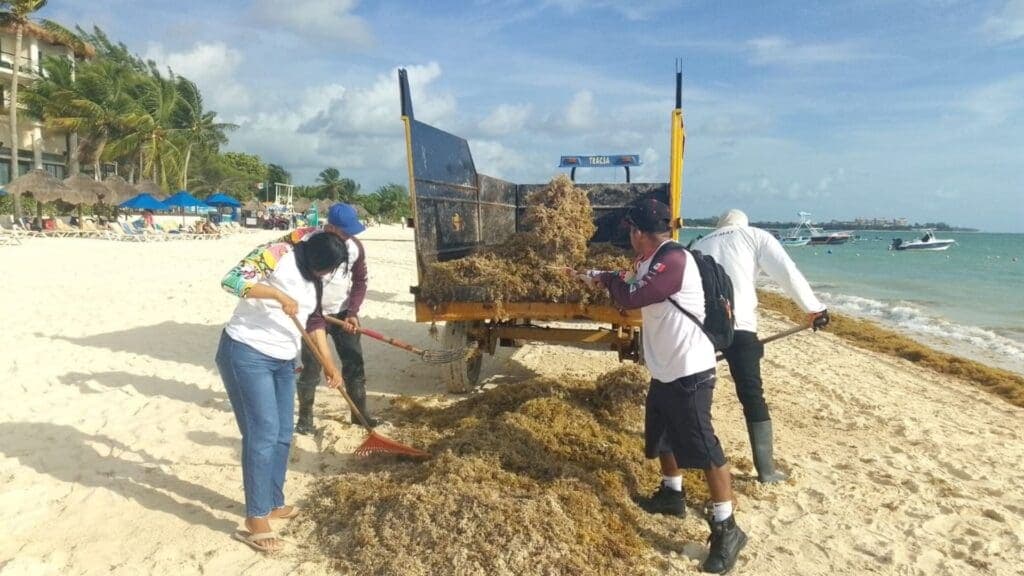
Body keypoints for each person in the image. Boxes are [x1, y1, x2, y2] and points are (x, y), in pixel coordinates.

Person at [579, 199, 746, 574]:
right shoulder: (648, 261)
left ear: (639, 232)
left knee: (704, 446)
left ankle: (727, 528)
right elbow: (631, 281)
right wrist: (598, 274)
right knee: (663, 435)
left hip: (691, 370)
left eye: (630, 232)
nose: (629, 238)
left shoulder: (674, 261)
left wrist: (606, 281)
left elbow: (632, 296)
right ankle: (672, 495)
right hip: (666, 368)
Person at [215, 232, 348, 553]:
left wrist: (330, 365)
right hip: (247, 353)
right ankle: (256, 517)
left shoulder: (317, 279)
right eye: (325, 269)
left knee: (283, 433)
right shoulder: (276, 254)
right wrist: (274, 293)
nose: (327, 275)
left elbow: (314, 321)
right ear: (312, 259)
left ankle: (273, 501)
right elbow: (232, 281)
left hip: (284, 360)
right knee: (262, 433)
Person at [692, 209, 829, 483]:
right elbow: (786, 273)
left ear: (720, 226)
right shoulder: (755, 236)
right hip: (740, 328)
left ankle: (695, 455)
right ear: (744, 223)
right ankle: (766, 471)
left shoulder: (699, 244)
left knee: (696, 391)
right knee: (752, 394)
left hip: (704, 329)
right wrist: (815, 308)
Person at [282, 203, 375, 434]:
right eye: (344, 231)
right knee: (312, 369)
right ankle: (305, 419)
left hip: (343, 315)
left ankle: (360, 416)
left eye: (350, 232)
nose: (348, 236)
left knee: (354, 364)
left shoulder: (355, 248)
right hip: (312, 315)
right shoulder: (310, 246)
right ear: (330, 226)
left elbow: (361, 282)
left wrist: (352, 311)